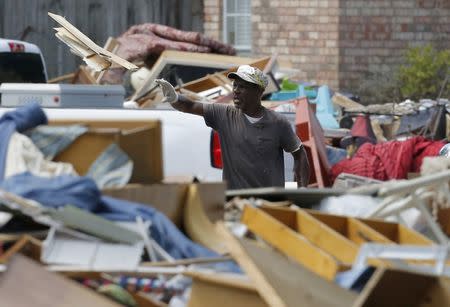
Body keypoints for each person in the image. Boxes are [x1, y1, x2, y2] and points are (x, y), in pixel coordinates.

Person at [155, 64, 310, 189]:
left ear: (259, 91)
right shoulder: (224, 114)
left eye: (242, 87)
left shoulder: (278, 122)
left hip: (270, 203)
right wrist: (174, 98)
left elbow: (299, 153)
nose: (235, 91)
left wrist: (301, 189)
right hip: (236, 202)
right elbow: (190, 105)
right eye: (235, 86)